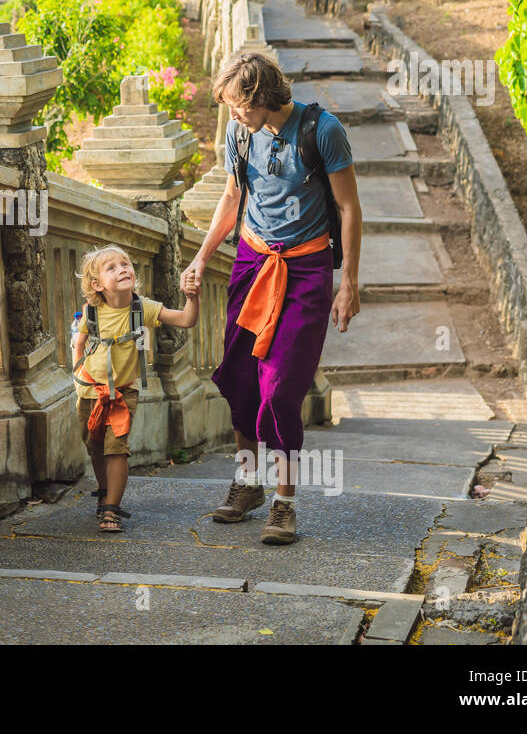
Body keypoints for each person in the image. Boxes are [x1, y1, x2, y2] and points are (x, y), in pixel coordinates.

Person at [181, 50, 362, 545]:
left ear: (262, 96)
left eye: (239, 105)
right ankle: (247, 483)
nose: (233, 115)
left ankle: (284, 501)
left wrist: (349, 283)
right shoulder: (240, 133)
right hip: (253, 262)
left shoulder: (322, 130)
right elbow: (233, 196)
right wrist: (201, 256)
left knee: (281, 388)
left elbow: (348, 207)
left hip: (305, 269)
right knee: (240, 380)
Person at [72, 245, 200, 533]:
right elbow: (80, 344)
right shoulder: (91, 311)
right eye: (112, 268)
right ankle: (105, 493)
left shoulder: (144, 309)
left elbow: (186, 320)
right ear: (97, 285)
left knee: (116, 448)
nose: (122, 269)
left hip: (123, 393)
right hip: (90, 391)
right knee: (94, 447)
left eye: (125, 264)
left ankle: (111, 509)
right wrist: (76, 371)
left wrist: (193, 298)